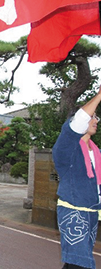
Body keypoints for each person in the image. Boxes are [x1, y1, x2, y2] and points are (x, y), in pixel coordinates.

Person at [53, 89, 101, 269]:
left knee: (77, 261)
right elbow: (77, 123)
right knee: (81, 263)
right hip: (74, 210)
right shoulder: (67, 147)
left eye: (97, 118)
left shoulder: (96, 153)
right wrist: (99, 96)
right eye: (92, 116)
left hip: (91, 211)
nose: (95, 121)